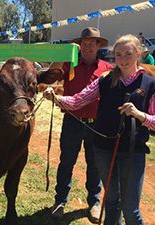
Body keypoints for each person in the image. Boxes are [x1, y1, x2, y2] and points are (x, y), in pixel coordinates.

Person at [45, 34, 153, 225]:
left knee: (130, 208)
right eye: (118, 55)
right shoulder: (105, 79)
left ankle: (96, 204)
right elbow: (78, 100)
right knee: (110, 201)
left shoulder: (150, 83)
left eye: (127, 54)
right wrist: (57, 98)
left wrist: (140, 115)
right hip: (103, 145)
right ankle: (64, 200)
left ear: (137, 54)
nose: (122, 59)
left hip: (132, 150)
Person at [48, 27, 113, 223]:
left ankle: (94, 202)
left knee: (95, 165)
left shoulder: (107, 69)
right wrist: (65, 52)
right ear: (79, 45)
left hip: (97, 125)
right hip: (72, 122)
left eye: (92, 42)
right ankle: (60, 201)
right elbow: (52, 73)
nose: (87, 46)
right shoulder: (70, 65)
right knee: (66, 162)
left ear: (98, 45)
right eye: (84, 43)